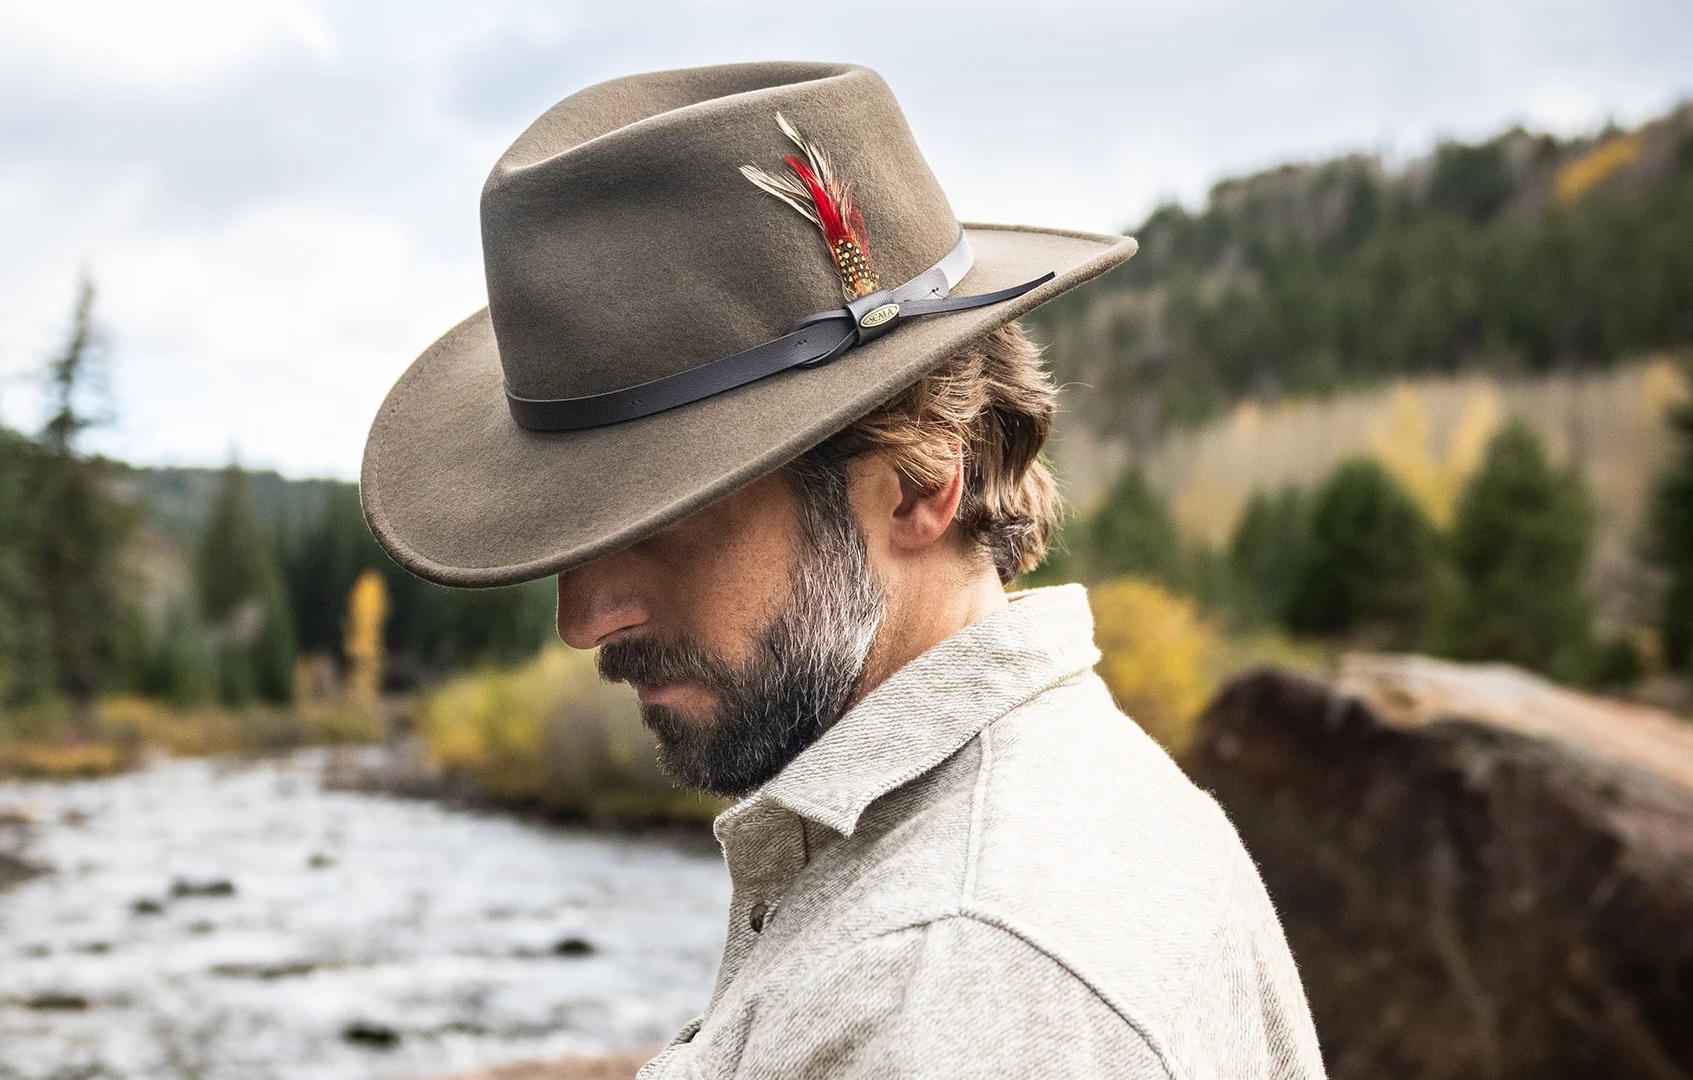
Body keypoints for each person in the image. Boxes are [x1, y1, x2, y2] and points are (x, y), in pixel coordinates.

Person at [362, 61, 1325, 1079]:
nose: (584, 618)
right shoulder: (1045, 825)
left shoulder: (952, 975)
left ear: (917, 481)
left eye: (664, 516)